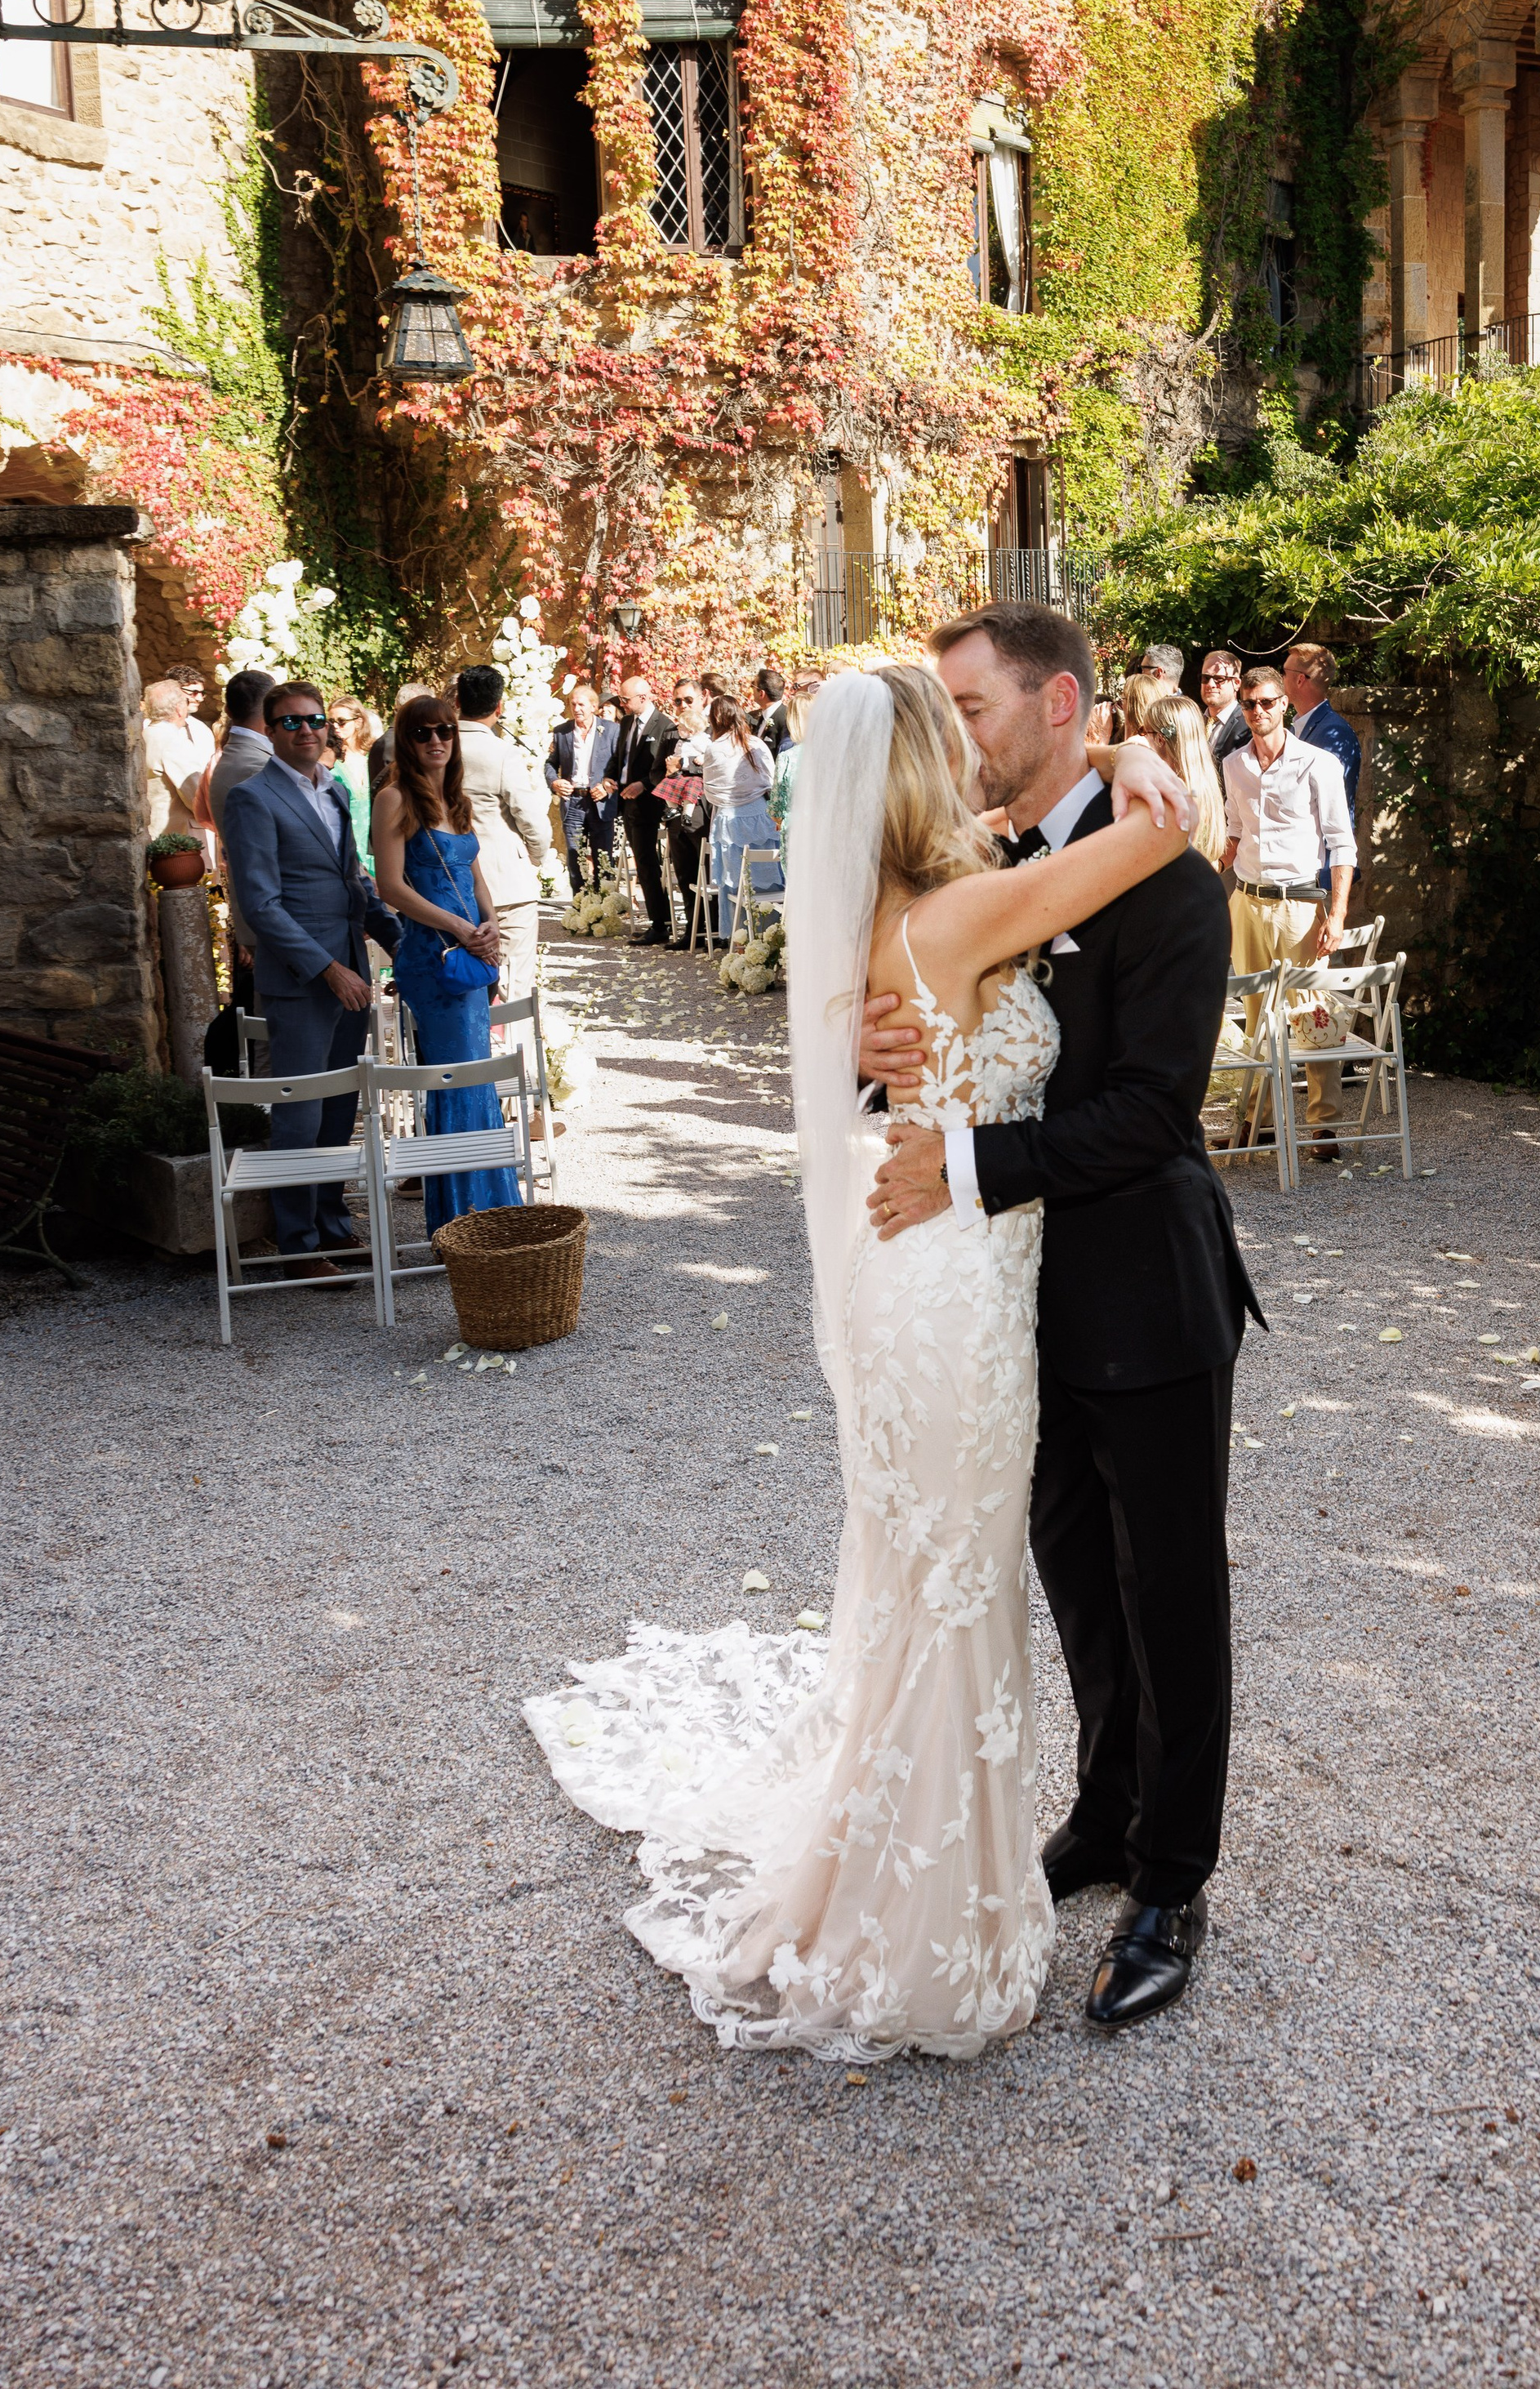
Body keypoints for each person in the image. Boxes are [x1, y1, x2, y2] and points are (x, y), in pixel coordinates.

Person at [525, 660, 1195, 2058]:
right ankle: (930, 1928)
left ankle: (940, 1881)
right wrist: (1140, 755)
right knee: (958, 1583)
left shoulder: (892, 921)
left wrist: (881, 1043)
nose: (974, 748)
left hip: (950, 1278)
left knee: (935, 1576)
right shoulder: (955, 915)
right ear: (912, 770)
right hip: (952, 1288)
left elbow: (918, 1034)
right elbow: (1161, 828)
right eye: (951, 729)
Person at [862, 602, 1264, 2032]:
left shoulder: (1169, 878)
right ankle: (1102, 1810)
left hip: (1145, 1291)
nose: (957, 732)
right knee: (1075, 1577)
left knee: (1172, 1590)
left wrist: (963, 1166)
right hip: (1004, 1310)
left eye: (973, 705)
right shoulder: (979, 864)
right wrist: (889, 1067)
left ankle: (1172, 1877)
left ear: (1060, 705)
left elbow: (1153, 1112)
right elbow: (936, 1044)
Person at [220, 681, 401, 1276]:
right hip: (304, 980)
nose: (306, 730)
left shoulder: (337, 790)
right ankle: (297, 1244)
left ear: (328, 728)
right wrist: (329, 970)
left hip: (352, 965)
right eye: (291, 722)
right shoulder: (253, 797)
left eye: (315, 720)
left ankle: (332, 1224)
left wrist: (406, 944)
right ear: (270, 731)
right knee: (298, 1112)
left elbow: (356, 884)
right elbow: (261, 904)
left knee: (337, 1109)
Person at [372, 696, 522, 1233]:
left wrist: (490, 926)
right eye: (422, 733)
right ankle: (463, 1220)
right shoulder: (394, 800)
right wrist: (462, 930)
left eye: (444, 731)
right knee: (457, 1080)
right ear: (405, 741)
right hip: (431, 960)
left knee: (476, 1078)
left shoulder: (454, 799)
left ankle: (489, 1211)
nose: (436, 741)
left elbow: (475, 877)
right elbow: (390, 888)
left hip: (467, 953)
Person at [1220, 664, 1355, 1158]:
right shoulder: (1233, 765)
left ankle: (1324, 1127)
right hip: (1249, 902)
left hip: (1302, 905)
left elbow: (1343, 845)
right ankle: (1261, 1124)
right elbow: (1233, 835)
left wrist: (1337, 916)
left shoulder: (1318, 763)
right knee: (1256, 1020)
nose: (1258, 712)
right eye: (1250, 704)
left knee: (1313, 1016)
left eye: (1267, 703)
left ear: (1285, 705)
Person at [456, 663, 552, 1003]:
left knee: (461, 979)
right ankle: (514, 1051)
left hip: (453, 880)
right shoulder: (502, 753)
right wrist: (536, 857)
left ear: (458, 701)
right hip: (504, 882)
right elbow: (530, 818)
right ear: (499, 707)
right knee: (513, 983)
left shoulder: (437, 748)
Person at [200, 667, 276, 1007]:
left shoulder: (233, 757)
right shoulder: (253, 765)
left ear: (229, 712)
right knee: (272, 1019)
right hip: (270, 908)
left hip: (256, 905)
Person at [702, 692, 777, 941]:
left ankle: (741, 940)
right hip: (761, 816)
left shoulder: (715, 749)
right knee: (768, 879)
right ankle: (772, 936)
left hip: (730, 820)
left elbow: (711, 791)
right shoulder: (757, 743)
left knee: (735, 883)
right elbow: (770, 780)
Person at [614, 671, 680, 943]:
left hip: (650, 802)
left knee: (647, 862)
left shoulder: (664, 725)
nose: (622, 704)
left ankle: (660, 924)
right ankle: (659, 920)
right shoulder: (627, 722)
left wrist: (643, 784)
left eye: (625, 699)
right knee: (643, 862)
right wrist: (610, 778)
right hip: (626, 801)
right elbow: (620, 758)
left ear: (643, 697)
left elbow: (664, 768)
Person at [545, 680, 623, 894]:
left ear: (593, 706)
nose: (577, 709)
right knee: (574, 857)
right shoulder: (562, 732)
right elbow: (551, 763)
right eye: (573, 705)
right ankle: (580, 908)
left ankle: (604, 908)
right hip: (574, 803)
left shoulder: (612, 730)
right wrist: (554, 782)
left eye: (581, 705)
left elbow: (621, 764)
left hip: (600, 802)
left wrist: (608, 785)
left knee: (603, 858)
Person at [656, 681, 711, 945]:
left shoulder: (712, 730)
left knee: (708, 873)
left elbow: (718, 766)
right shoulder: (670, 733)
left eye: (688, 700)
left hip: (703, 812)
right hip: (677, 813)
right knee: (685, 873)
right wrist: (670, 775)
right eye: (677, 701)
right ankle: (693, 931)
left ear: (703, 698)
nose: (683, 706)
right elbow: (656, 771)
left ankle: (716, 930)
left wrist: (687, 766)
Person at [1146, 692, 1227, 865]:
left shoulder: (1172, 796)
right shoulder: (1203, 784)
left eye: (1145, 732)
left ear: (1160, 739)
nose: (1143, 739)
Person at [1283, 641, 1362, 815]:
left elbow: (1332, 803)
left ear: (1300, 679)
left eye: (1284, 673)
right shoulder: (1294, 728)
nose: (1281, 679)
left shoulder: (1335, 734)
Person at [143, 679, 206, 839]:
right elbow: (195, 794)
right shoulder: (173, 741)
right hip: (177, 836)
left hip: (155, 829)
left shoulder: (145, 734)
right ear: (179, 709)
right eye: (185, 701)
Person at [327, 698, 378, 860]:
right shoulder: (329, 759)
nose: (335, 727)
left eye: (341, 722)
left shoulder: (374, 755)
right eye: (331, 721)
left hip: (376, 844)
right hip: (346, 846)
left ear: (358, 722)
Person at [769, 676, 810, 867]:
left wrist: (780, 818)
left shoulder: (787, 757)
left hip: (796, 831)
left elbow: (776, 807)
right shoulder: (833, 754)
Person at [1199, 649, 1247, 770]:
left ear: (1236, 683)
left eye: (1219, 679)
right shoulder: (1195, 721)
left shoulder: (1247, 724)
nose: (1211, 684)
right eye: (1206, 678)